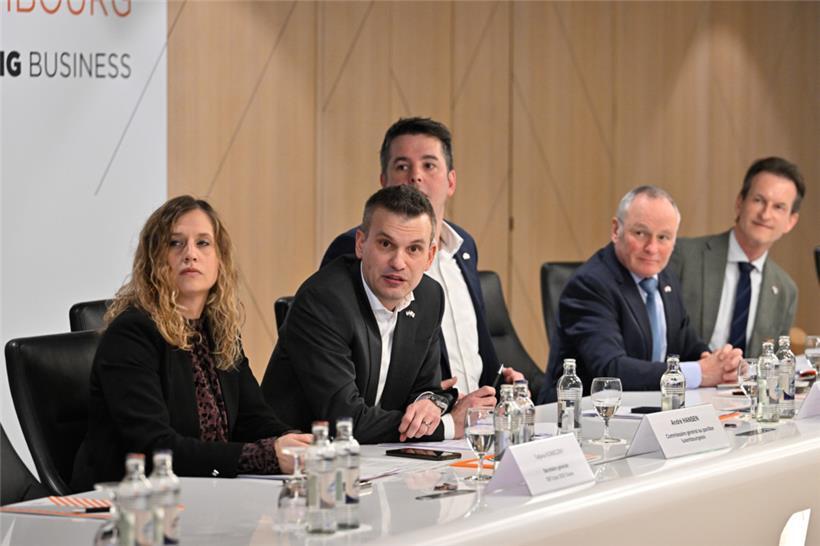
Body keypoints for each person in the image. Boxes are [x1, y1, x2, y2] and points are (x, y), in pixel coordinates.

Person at [72, 196, 310, 491]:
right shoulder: (132, 334)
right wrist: (266, 457)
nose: (190, 254)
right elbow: (156, 446)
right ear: (154, 259)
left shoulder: (219, 329)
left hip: (202, 493)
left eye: (203, 243)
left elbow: (254, 418)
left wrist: (299, 445)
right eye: (175, 243)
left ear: (220, 260)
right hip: (131, 502)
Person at [321, 117, 519, 436]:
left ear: (451, 181)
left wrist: (500, 380)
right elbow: (364, 364)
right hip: (409, 428)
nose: (415, 176)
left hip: (475, 419)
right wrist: (438, 404)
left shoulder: (463, 246)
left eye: (429, 165)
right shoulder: (354, 249)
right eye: (402, 166)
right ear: (384, 180)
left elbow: (475, 335)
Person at [263, 185, 465, 443]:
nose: (398, 262)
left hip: (378, 460)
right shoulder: (324, 301)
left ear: (430, 256)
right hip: (298, 465)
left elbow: (428, 388)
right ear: (361, 244)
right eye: (385, 244)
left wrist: (429, 404)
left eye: (413, 249)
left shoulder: (429, 297)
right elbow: (347, 422)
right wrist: (449, 425)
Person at [538, 186, 741, 404]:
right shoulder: (590, 285)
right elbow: (611, 370)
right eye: (640, 233)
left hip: (648, 411)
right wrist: (699, 373)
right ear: (616, 230)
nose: (652, 248)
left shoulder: (665, 279)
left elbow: (687, 345)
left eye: (663, 237)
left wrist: (720, 363)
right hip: (583, 418)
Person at [668, 157, 804, 358]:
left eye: (778, 207)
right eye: (758, 200)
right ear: (740, 203)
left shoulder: (785, 290)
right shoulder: (684, 257)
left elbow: (773, 366)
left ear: (790, 221)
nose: (765, 214)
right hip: (685, 385)